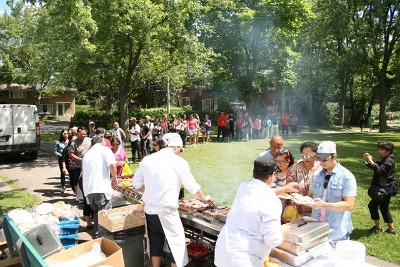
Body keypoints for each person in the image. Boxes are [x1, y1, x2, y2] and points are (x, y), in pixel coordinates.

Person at [133, 133, 212, 267]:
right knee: (176, 245)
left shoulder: (147, 159)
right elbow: (191, 186)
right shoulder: (179, 162)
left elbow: (137, 184)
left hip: (151, 211)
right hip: (167, 211)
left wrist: (151, 189)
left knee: (155, 242)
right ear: (176, 147)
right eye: (180, 150)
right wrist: (204, 198)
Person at [214, 157, 290, 266]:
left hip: (224, 249)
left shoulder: (243, 187)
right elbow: (273, 240)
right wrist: (283, 232)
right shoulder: (272, 200)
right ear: (273, 175)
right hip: (244, 258)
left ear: (253, 172)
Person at [306, 141, 357, 242]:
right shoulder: (316, 175)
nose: (321, 161)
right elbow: (310, 195)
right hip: (316, 227)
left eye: (325, 158)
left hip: (336, 231)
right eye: (319, 157)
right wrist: (303, 200)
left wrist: (324, 205)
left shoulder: (347, 176)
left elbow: (349, 205)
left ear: (335, 156)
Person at [82, 135, 117, 236]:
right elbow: (112, 165)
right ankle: (104, 241)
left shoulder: (87, 154)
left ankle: (98, 237)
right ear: (101, 142)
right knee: (105, 217)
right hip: (100, 188)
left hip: (89, 190)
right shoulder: (104, 149)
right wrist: (114, 178)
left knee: (98, 215)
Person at [364, 141, 397, 235]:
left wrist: (371, 161)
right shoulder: (384, 158)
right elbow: (375, 167)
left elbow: (380, 171)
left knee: (372, 206)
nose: (379, 151)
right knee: (384, 208)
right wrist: (367, 160)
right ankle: (391, 229)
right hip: (386, 189)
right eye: (379, 148)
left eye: (382, 149)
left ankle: (378, 227)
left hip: (384, 189)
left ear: (388, 151)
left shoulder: (389, 161)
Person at [286, 142, 321, 215]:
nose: (306, 158)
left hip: (317, 211)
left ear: (316, 155)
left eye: (310, 155)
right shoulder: (293, 169)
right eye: (303, 155)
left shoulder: (321, 169)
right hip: (297, 211)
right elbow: (288, 190)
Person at [54, 129, 69, 193]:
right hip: (61, 158)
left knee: (71, 172)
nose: (66, 135)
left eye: (67, 133)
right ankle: (63, 186)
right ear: (61, 134)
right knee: (63, 172)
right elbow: (55, 151)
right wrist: (61, 155)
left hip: (69, 159)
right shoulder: (58, 142)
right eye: (64, 133)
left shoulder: (70, 141)